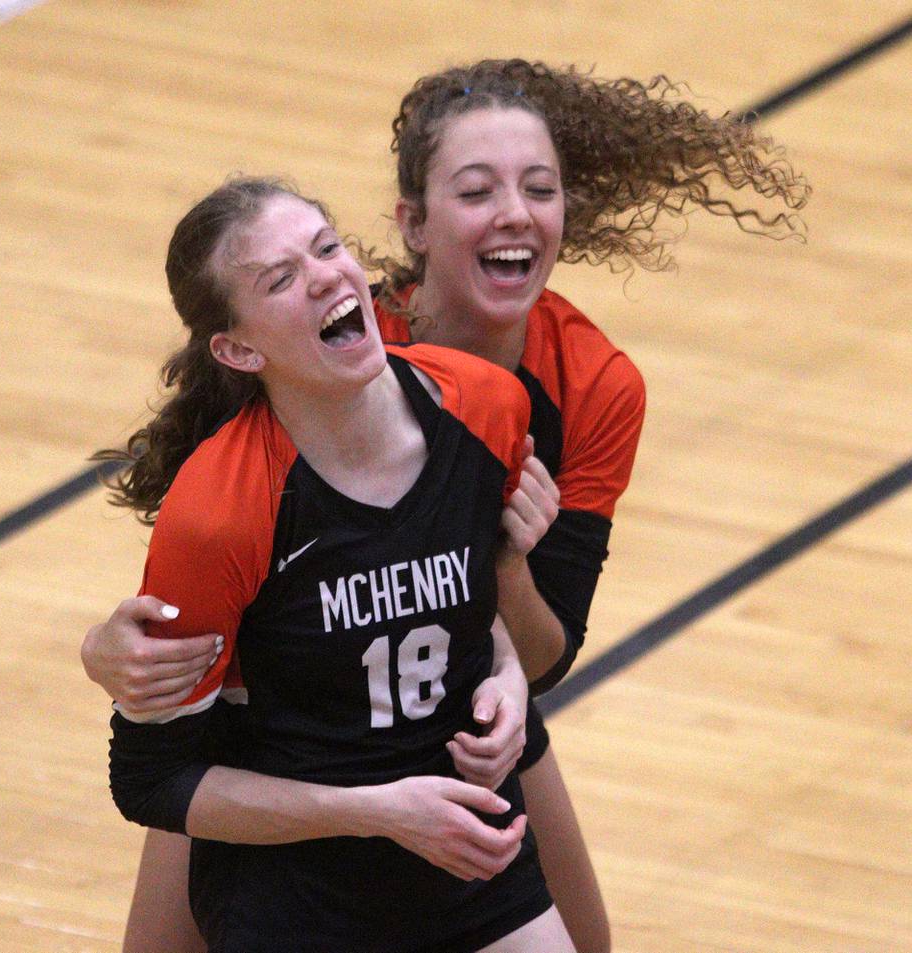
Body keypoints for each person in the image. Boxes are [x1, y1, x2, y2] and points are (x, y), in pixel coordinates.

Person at [86, 59, 809, 953]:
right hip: (280, 724)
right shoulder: (336, 347)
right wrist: (109, 649)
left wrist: (501, 584)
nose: (514, 212)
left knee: (586, 941)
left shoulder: (578, 385)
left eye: (539, 188)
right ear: (414, 228)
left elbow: (543, 654)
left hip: (445, 702)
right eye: (477, 190)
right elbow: (212, 561)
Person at [102, 176, 576, 953]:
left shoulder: (487, 406)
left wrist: (508, 683)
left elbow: (471, 605)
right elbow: (150, 779)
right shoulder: (220, 511)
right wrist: (379, 809)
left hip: (465, 850)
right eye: (281, 279)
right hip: (298, 887)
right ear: (238, 348)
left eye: (326, 247)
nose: (326, 274)